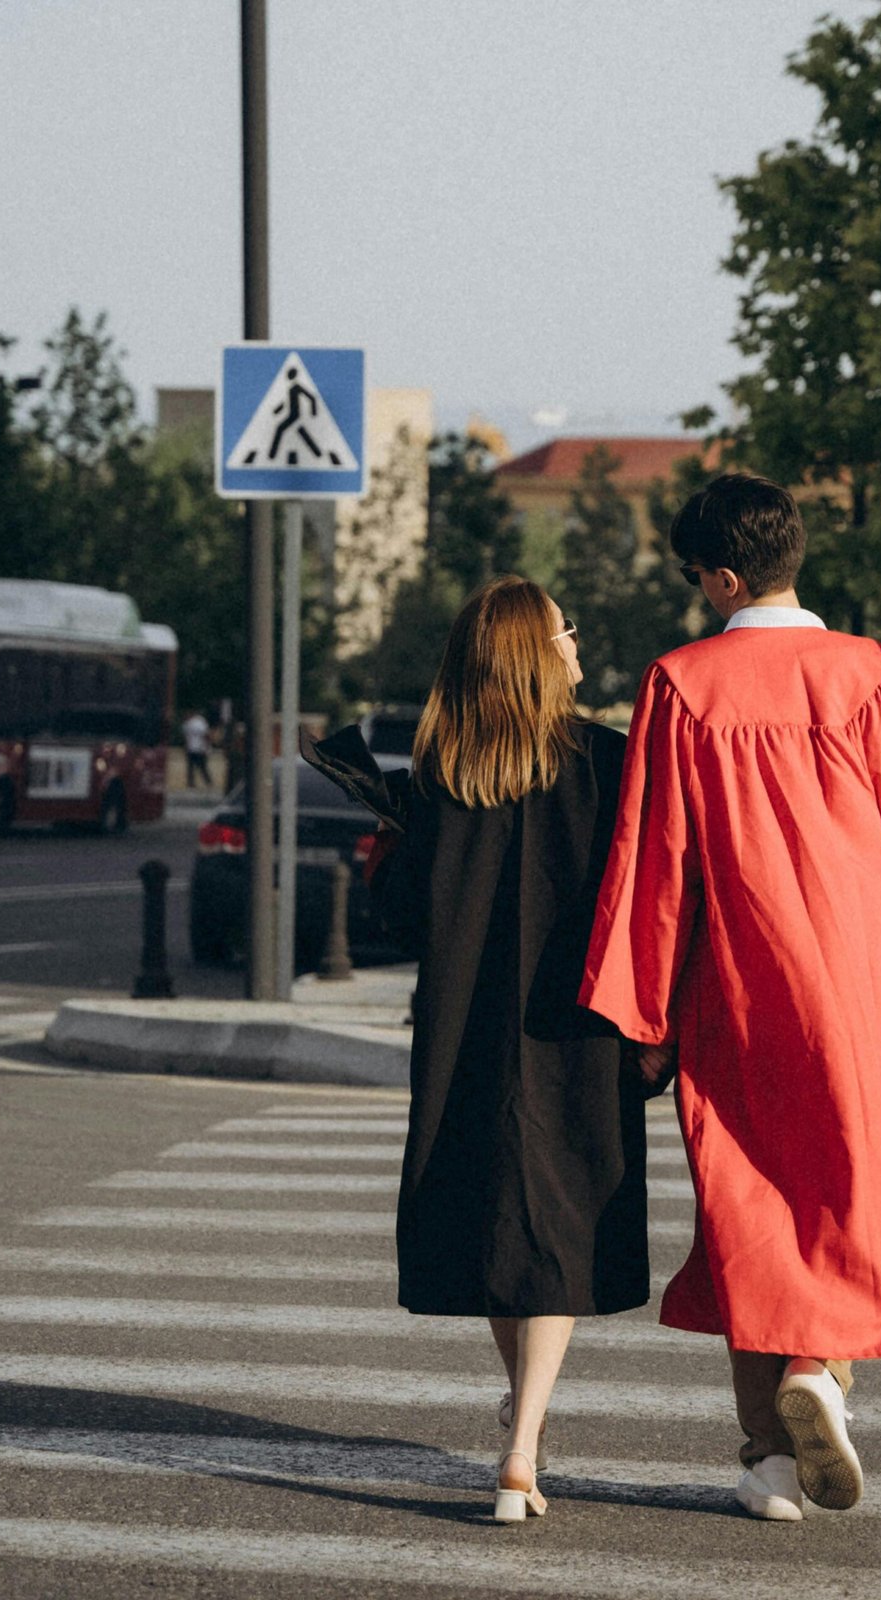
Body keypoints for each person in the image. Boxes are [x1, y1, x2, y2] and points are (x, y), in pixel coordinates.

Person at [579, 474, 881, 1521]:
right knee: (854, 1184)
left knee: (751, 1205)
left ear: (726, 575)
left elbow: (655, 858)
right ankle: (821, 1369)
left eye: (698, 575)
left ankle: (767, 1461)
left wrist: (641, 1014)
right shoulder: (874, 673)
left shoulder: (681, 683)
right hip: (872, 979)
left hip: (739, 982)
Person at [316, 576, 650, 1524]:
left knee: (503, 1229)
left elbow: (404, 916)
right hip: (579, 1030)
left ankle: (520, 1431)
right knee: (558, 1234)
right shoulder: (609, 764)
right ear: (536, 657)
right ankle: (521, 1442)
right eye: (567, 629)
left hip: (467, 1034)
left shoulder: (439, 782)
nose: (578, 641)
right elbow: (647, 897)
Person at [181, 710, 212, 788]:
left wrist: (206, 746)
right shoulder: (187, 723)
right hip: (192, 748)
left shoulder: (199, 722)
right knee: (191, 767)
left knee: (201, 766)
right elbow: (186, 737)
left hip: (199, 748)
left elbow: (206, 735)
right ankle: (191, 783)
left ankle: (207, 781)